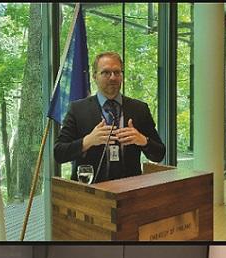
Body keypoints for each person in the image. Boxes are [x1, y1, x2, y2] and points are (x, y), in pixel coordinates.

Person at [53, 51, 165, 182]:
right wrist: (88, 141)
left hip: (129, 191)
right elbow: (59, 153)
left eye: (117, 72)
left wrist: (143, 140)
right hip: (91, 191)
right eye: (106, 72)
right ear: (95, 76)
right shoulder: (78, 109)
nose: (113, 77)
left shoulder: (139, 109)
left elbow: (159, 154)